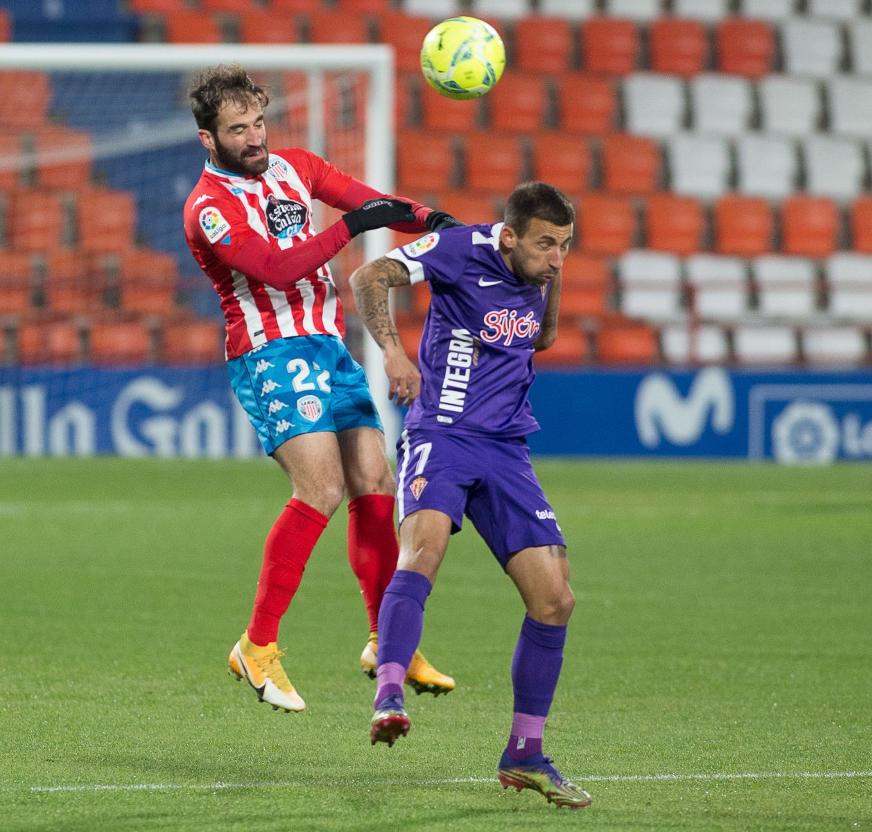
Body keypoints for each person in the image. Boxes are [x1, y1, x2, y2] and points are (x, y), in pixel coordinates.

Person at [182, 64, 455, 713]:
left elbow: (367, 197)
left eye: (257, 122)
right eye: (236, 129)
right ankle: (257, 646)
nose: (254, 138)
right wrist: (353, 229)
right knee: (323, 487)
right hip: (269, 352)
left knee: (375, 482)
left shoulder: (295, 166)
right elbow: (275, 270)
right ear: (208, 139)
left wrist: (440, 222)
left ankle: (388, 643)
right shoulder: (208, 210)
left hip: (329, 346)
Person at [349, 182, 592, 809]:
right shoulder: (461, 248)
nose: (557, 258)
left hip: (507, 448)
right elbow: (369, 276)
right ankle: (391, 692)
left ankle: (524, 754)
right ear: (508, 235)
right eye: (546, 245)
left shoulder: (541, 267)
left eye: (565, 246)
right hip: (444, 434)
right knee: (422, 551)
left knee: (555, 599)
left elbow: (541, 337)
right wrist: (396, 357)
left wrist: (550, 270)